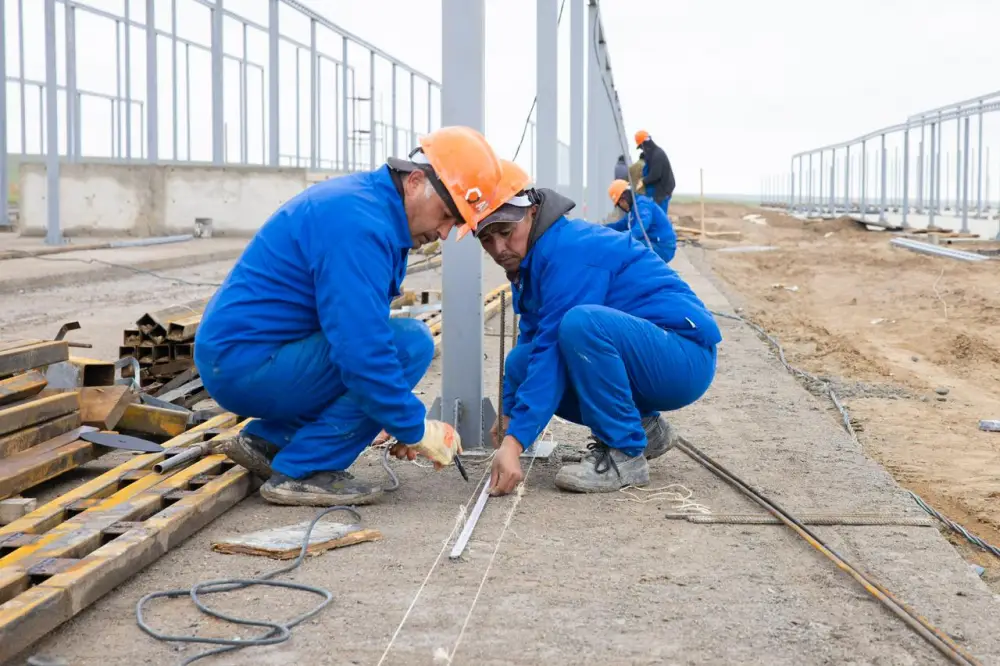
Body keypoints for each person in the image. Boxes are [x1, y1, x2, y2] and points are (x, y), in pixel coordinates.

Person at [194, 126, 520, 507]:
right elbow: (362, 352)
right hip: (247, 364)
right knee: (409, 345)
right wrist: (416, 428)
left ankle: (272, 441)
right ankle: (303, 470)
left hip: (248, 356)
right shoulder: (360, 226)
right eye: (447, 215)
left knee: (388, 360)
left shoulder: (369, 209)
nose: (445, 233)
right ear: (415, 182)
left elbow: (357, 333)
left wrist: (389, 416)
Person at [473, 161, 721, 495]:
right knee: (521, 362)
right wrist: (509, 415)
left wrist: (514, 444)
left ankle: (625, 455)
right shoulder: (530, 262)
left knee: (581, 325)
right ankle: (646, 430)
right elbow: (533, 344)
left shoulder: (567, 250)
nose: (499, 249)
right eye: (486, 239)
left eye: (505, 232)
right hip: (654, 355)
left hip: (682, 355)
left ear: (531, 211)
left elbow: (551, 351)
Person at [606, 179, 677, 264]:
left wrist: (624, 238)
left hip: (663, 246)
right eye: (618, 204)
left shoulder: (642, 204)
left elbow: (641, 225)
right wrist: (602, 228)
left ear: (626, 195)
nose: (621, 205)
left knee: (628, 248)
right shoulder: (632, 211)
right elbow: (620, 225)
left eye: (621, 201)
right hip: (655, 243)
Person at [634, 130, 675, 215]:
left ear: (643, 144)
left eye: (641, 147)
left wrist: (643, 181)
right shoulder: (652, 154)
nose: (642, 149)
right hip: (658, 191)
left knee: (660, 216)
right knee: (656, 215)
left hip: (662, 191)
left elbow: (655, 175)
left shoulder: (657, 154)